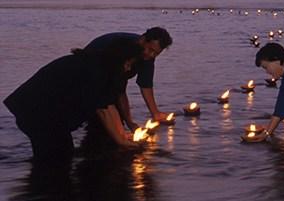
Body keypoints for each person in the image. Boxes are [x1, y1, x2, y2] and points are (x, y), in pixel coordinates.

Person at [3, 39, 144, 160]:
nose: (128, 69)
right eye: (128, 64)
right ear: (119, 58)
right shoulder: (95, 71)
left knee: (63, 154)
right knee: (55, 160)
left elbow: (109, 105)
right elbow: (103, 110)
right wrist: (121, 141)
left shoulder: (100, 67)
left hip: (45, 114)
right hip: (36, 112)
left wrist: (121, 135)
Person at [83, 27, 172, 128]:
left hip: (109, 81)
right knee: (100, 118)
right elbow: (119, 90)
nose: (151, 55)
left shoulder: (147, 57)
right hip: (88, 72)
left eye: (156, 53)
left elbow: (145, 85)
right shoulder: (124, 49)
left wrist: (155, 113)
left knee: (115, 121)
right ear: (143, 40)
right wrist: (130, 123)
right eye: (150, 50)